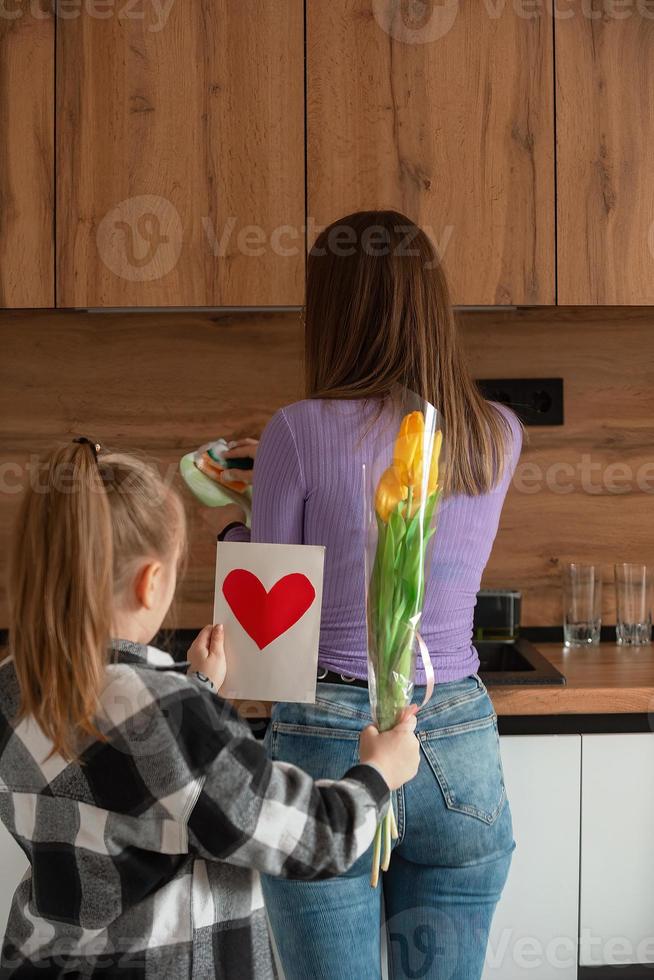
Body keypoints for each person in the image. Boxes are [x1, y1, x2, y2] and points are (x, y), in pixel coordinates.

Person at [215, 211, 523, 980]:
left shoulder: (296, 431)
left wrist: (236, 517)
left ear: (332, 311)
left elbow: (267, 630)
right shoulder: (496, 433)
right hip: (456, 739)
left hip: (327, 743)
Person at [0, 439, 420, 979]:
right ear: (151, 582)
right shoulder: (169, 713)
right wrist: (380, 772)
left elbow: (118, 775)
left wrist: (196, 685)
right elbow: (313, 840)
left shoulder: (15, 687)